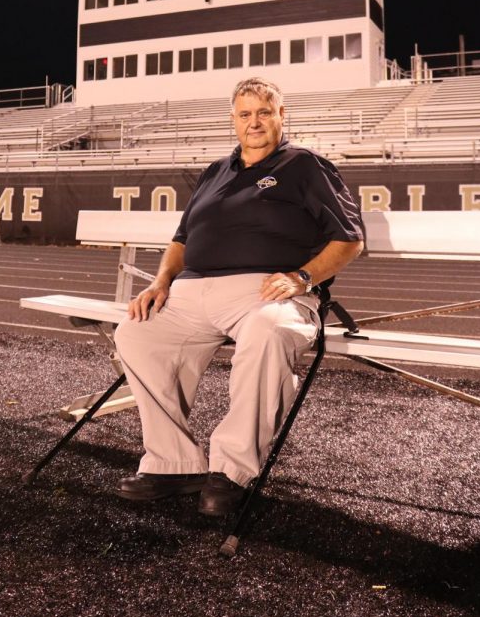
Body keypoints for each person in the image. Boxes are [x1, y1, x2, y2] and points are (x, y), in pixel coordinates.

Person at [114, 77, 364, 516]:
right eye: (245, 114)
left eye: (264, 113)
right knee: (137, 334)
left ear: (281, 117)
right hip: (192, 293)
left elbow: (349, 240)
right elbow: (181, 239)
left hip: (264, 294)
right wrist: (160, 283)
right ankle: (174, 463)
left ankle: (231, 471)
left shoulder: (304, 166)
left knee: (269, 332)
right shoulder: (216, 171)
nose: (255, 122)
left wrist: (303, 277)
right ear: (233, 120)